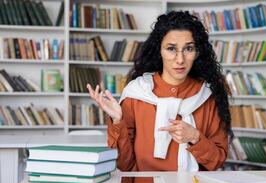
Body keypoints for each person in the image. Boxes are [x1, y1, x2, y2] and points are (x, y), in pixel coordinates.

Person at [87, 11, 233, 172]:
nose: (180, 59)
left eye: (188, 49)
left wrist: (195, 137)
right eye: (171, 49)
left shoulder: (207, 95)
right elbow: (124, 164)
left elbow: (217, 161)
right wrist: (117, 121)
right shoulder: (137, 93)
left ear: (197, 52)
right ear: (159, 51)